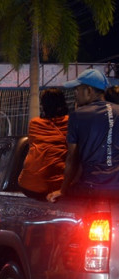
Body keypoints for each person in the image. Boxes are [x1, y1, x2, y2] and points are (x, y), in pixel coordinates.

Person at [48, 69, 119, 202]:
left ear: (89, 90)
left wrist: (63, 190)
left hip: (90, 186)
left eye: (77, 89)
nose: (75, 93)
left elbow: (72, 158)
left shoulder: (77, 115)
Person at [18, 88, 69, 199]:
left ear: (43, 105)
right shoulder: (70, 122)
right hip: (56, 186)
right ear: (62, 104)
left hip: (27, 185)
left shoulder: (34, 123)